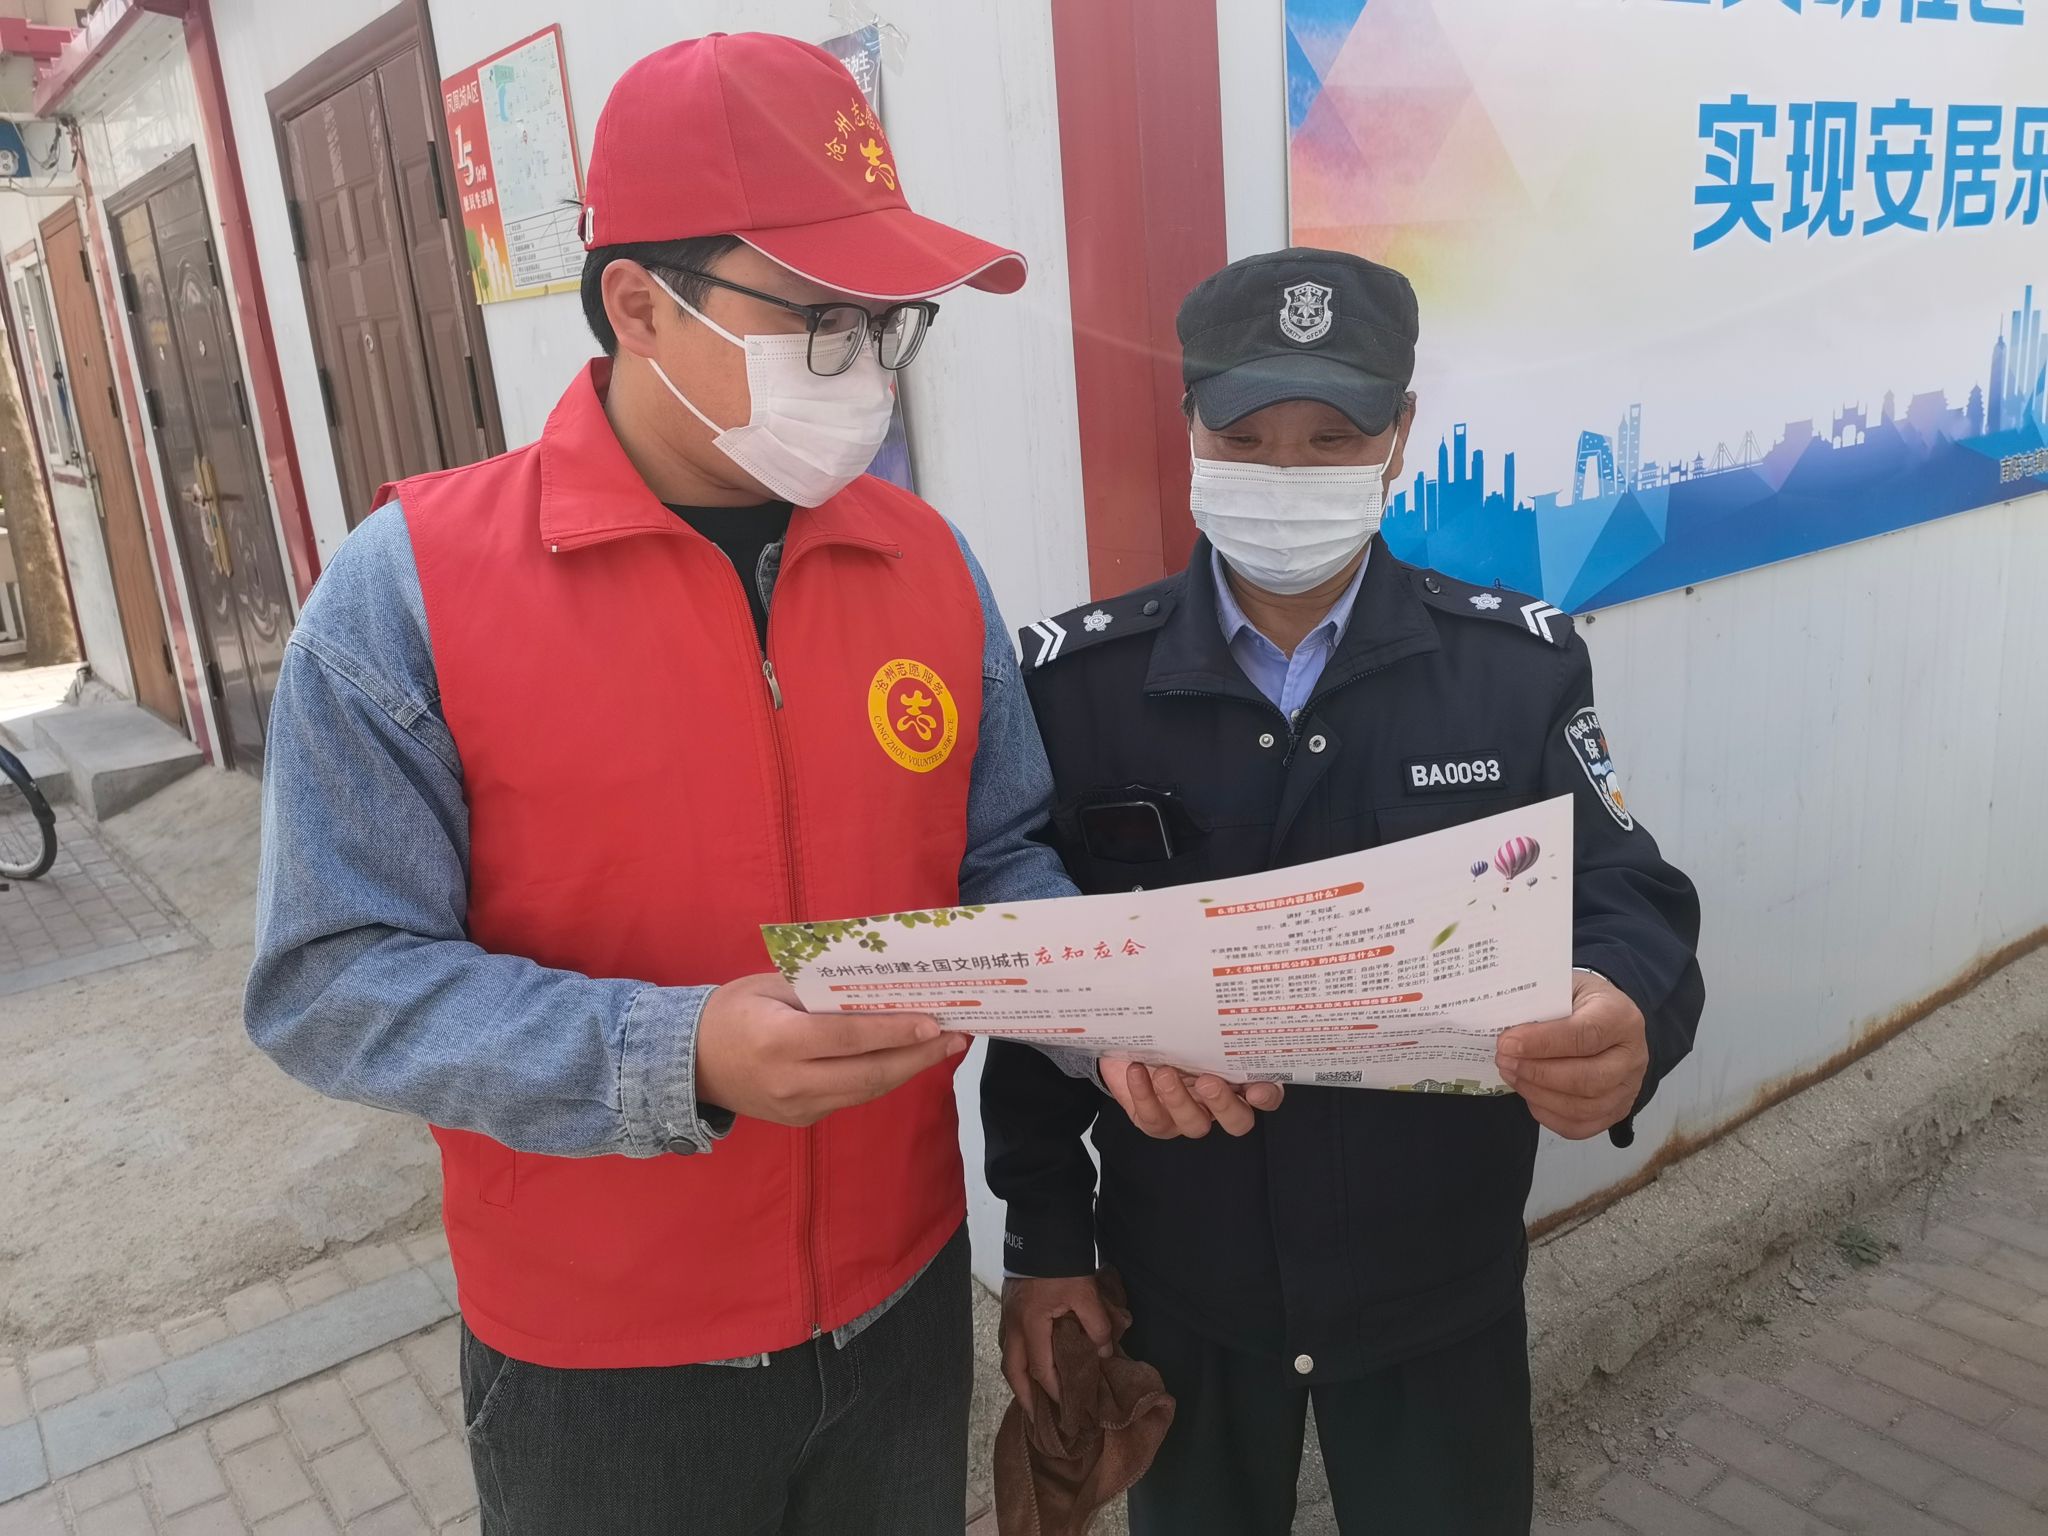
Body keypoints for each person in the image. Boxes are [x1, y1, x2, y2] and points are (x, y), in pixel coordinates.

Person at [245, 32, 1112, 1535]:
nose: (864, 366)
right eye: (819, 320)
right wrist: (677, 1055)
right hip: (602, 1363)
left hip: (902, 1301)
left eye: (887, 324)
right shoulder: (412, 593)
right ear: (639, 304)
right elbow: (331, 980)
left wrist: (1124, 1018)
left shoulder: (924, 561)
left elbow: (999, 857)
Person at [983, 248, 1706, 1535]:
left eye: (1330, 438)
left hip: (1434, 1286)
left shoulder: (1512, 671)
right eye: (1244, 437)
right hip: (1183, 1286)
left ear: (1399, 436)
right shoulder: (1076, 688)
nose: (1285, 474)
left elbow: (1622, 893)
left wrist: (1624, 1009)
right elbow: (1043, 983)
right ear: (1189, 428)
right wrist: (1045, 1241)